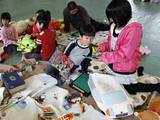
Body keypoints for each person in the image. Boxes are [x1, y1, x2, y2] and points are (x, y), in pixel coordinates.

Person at [97, 0, 160, 94]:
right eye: (109, 17)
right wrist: (104, 46)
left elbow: (124, 54)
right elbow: (111, 41)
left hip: (125, 64)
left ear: (121, 17)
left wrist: (105, 57)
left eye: (112, 17)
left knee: (128, 89)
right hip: (115, 61)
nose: (110, 20)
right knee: (112, 78)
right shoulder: (114, 24)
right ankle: (137, 72)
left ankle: (156, 86)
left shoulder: (133, 30)